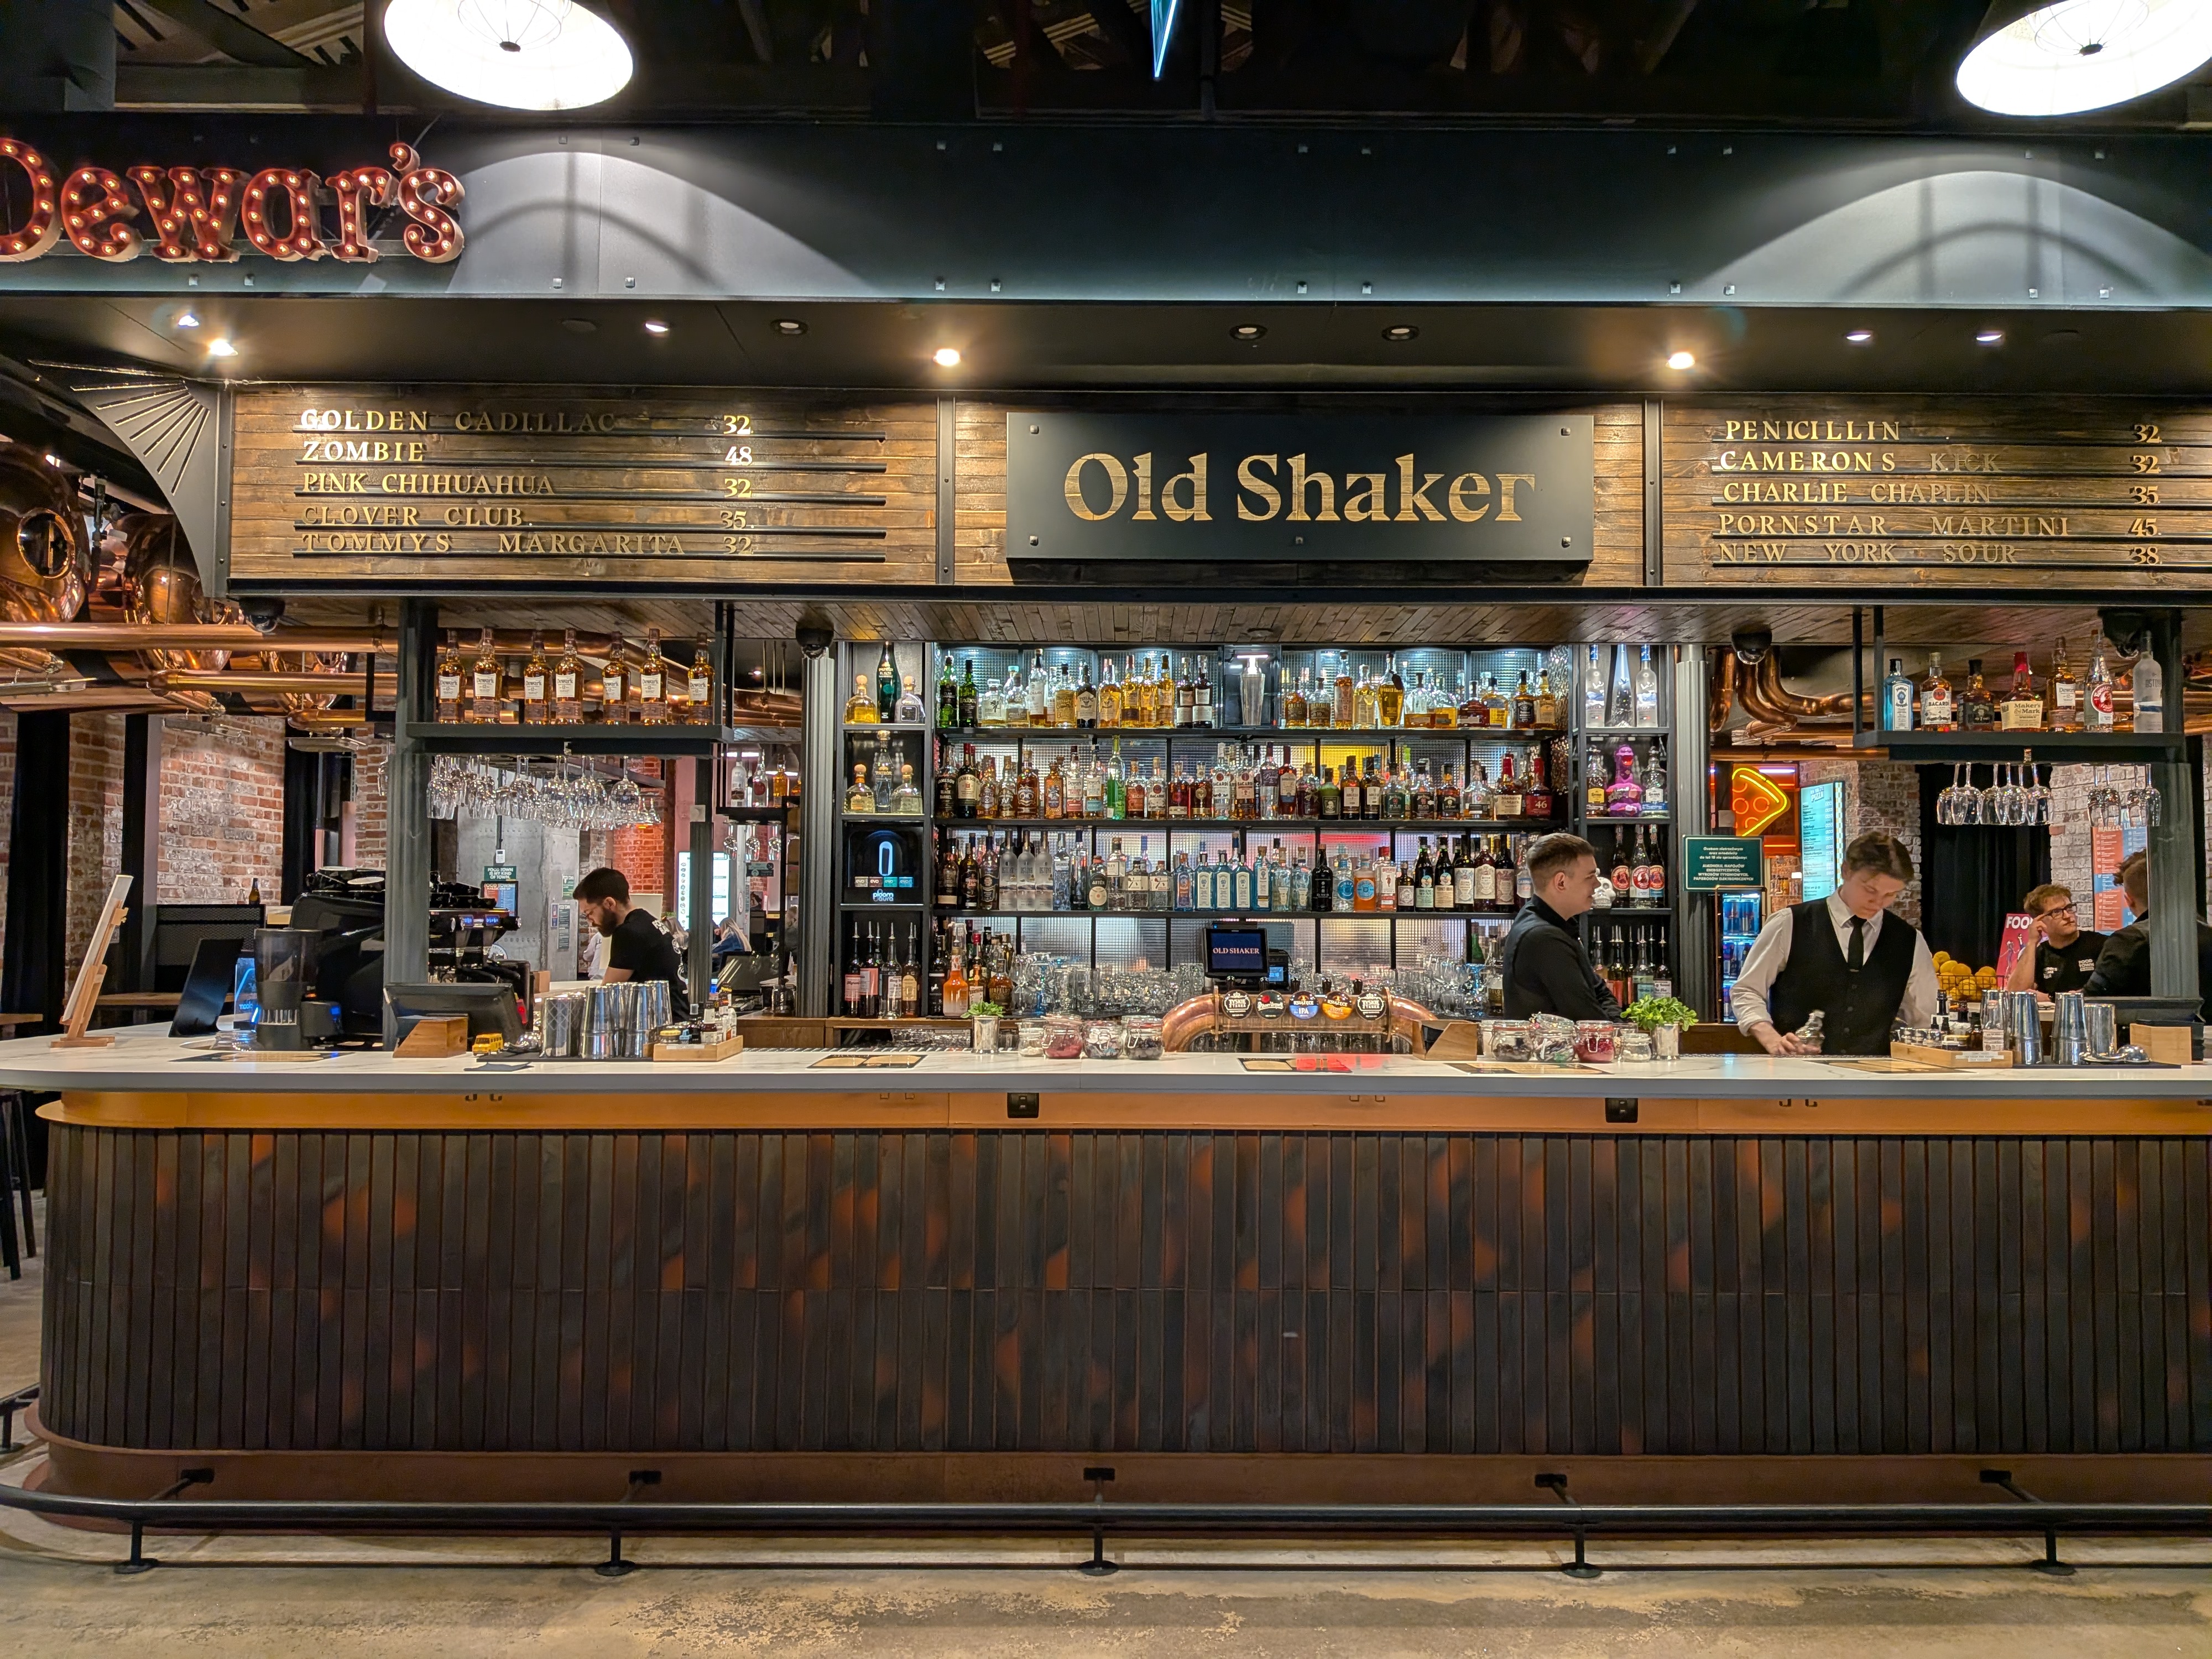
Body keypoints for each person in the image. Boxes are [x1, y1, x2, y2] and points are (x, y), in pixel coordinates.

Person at [1731, 830, 1937, 1056]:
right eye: (1870, 889)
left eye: (1891, 894)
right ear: (1846, 871)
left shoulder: (1910, 940)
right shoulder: (1789, 923)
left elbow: (1926, 1018)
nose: (1878, 902)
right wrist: (1772, 1040)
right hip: (1794, 1071)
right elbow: (1746, 990)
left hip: (1875, 1073)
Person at [1499, 832, 1621, 1021]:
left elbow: (1600, 991)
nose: (1597, 884)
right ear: (1561, 882)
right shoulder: (1544, 938)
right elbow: (1590, 1020)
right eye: (1590, 877)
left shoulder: (1544, 921)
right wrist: (1618, 1027)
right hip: (1557, 1042)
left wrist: (1615, 1022)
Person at [2083, 851, 2212, 1012]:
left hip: (2141, 1028)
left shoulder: (2127, 941)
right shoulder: (2207, 934)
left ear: (2129, 900)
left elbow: (2092, 1000)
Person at [573, 866, 691, 1019]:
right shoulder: (648, 921)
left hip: (661, 1024)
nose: (591, 921)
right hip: (677, 1017)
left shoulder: (629, 933)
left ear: (609, 903)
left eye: (589, 913)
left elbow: (607, 994)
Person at [2002, 883, 2108, 998]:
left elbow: (2107, 991)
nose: (2067, 916)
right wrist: (2032, 942)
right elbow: (2016, 994)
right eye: (2057, 912)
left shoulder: (2102, 945)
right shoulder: (2039, 954)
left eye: (2069, 908)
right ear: (2040, 921)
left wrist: (2051, 998)